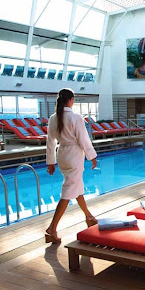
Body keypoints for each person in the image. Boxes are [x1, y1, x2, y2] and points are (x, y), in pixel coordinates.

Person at [44, 88, 98, 243]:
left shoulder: (54, 118)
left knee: (76, 186)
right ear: (70, 100)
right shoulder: (75, 117)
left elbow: (50, 142)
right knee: (68, 191)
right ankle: (52, 228)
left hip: (62, 154)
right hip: (74, 155)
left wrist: (51, 162)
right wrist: (92, 157)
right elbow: (83, 139)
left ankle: (89, 216)